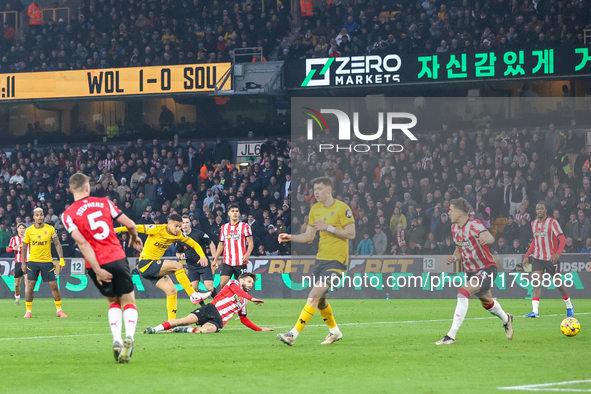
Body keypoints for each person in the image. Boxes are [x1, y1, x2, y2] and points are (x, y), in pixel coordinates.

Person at [62, 173, 143, 363]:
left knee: (113, 301)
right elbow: (130, 224)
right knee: (129, 301)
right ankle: (129, 336)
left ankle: (117, 340)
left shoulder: (67, 215)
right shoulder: (104, 203)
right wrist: (133, 237)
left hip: (95, 264)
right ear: (88, 187)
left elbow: (82, 243)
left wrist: (97, 269)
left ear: (71, 189)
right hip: (117, 257)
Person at [276, 177, 355, 346]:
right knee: (320, 301)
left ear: (329, 190)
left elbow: (351, 233)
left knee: (313, 294)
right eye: (314, 189)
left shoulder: (342, 208)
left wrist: (329, 228)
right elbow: (309, 236)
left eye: (319, 188)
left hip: (337, 261)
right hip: (321, 260)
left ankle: (292, 334)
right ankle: (335, 332)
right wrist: (290, 237)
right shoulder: (315, 209)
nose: (316, 192)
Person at [436, 198, 514, 345]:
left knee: (463, 292)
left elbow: (489, 237)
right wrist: (453, 257)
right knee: (487, 303)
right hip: (471, 271)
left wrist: (486, 240)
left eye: (451, 210)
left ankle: (450, 336)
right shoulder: (454, 229)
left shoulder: (474, 225)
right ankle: (507, 319)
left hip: (486, 268)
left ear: (459, 213)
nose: (449, 212)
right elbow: (459, 249)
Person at [116, 214, 211, 320]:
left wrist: (202, 256)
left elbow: (195, 244)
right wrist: (116, 230)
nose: (178, 229)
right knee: (177, 266)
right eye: (176, 226)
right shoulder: (157, 229)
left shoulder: (178, 234)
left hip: (151, 268)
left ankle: (171, 323)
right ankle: (193, 295)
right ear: (169, 224)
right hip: (145, 263)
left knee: (172, 291)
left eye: (180, 226)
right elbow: (135, 227)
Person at [145, 273, 273, 334]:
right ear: (241, 280)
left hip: (219, 321)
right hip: (211, 309)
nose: (251, 285)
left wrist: (260, 329)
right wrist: (252, 298)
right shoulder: (233, 283)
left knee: (206, 330)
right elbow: (237, 291)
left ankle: (183, 330)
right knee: (184, 320)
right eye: (249, 282)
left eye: (252, 284)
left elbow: (244, 319)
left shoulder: (243, 300)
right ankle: (155, 329)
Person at [523, 203, 574, 318]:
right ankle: (535, 311)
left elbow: (562, 239)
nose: (539, 210)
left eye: (542, 208)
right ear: (535, 211)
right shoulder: (533, 223)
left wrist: (557, 253)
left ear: (546, 210)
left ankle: (569, 306)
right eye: (537, 209)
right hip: (537, 257)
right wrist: (527, 255)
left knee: (558, 283)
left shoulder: (552, 223)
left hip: (551, 258)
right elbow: (535, 241)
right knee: (536, 281)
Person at [22, 207, 67, 318]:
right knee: (30, 286)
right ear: (34, 217)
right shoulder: (29, 230)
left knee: (54, 286)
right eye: (37, 215)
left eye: (41, 214)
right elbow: (24, 247)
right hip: (33, 262)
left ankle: (59, 310)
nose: (40, 217)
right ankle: (28, 311)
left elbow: (57, 244)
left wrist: (61, 259)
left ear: (44, 216)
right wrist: (23, 263)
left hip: (47, 262)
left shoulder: (50, 229)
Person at [176, 215, 217, 306]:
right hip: (191, 266)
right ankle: (204, 307)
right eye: (183, 223)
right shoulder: (179, 238)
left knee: (209, 287)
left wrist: (214, 259)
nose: (185, 225)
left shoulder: (199, 234)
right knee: (193, 290)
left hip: (203, 263)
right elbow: (178, 252)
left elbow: (211, 244)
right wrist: (180, 256)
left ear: (190, 223)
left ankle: (218, 303)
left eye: (187, 222)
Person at [211, 204, 253, 289]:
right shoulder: (224, 227)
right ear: (228, 213)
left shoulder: (245, 226)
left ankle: (240, 301)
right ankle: (229, 301)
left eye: (237, 211)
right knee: (223, 283)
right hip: (227, 261)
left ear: (239, 213)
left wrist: (247, 254)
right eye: (233, 211)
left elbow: (251, 242)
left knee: (242, 286)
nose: (235, 213)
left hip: (241, 261)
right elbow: (221, 244)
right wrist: (215, 260)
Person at [7, 223, 27, 305]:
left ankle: (27, 299)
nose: (22, 230)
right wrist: (13, 248)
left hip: (27, 262)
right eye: (20, 228)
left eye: (23, 228)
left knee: (27, 282)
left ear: (25, 229)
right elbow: (8, 250)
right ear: (17, 229)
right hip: (18, 262)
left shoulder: (28, 238)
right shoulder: (14, 239)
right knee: (17, 284)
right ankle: (17, 297)